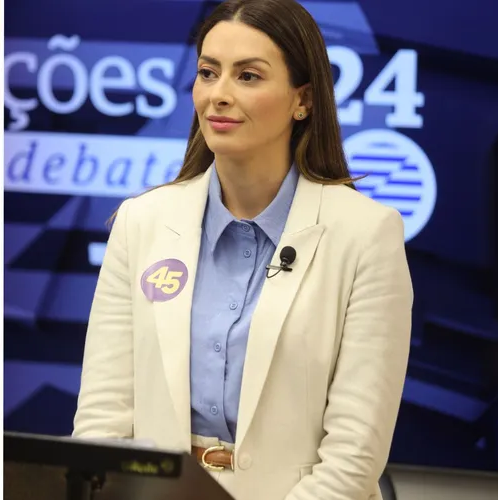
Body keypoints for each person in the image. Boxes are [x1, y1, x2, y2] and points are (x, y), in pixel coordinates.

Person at [72, 1, 412, 499]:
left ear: (304, 100)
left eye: (248, 76)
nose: (219, 95)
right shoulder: (140, 222)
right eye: (208, 73)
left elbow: (353, 457)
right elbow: (103, 420)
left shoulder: (366, 234)